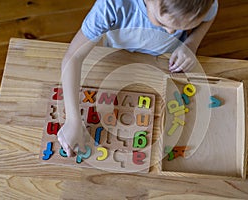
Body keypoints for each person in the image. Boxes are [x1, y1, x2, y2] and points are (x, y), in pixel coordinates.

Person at [58, 0, 218, 157]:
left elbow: (211, 13)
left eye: (182, 28)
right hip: (119, 56)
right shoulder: (111, 5)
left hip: (166, 60)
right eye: (162, 23)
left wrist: (191, 44)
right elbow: (73, 57)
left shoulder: (201, 3)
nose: (170, 32)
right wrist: (73, 120)